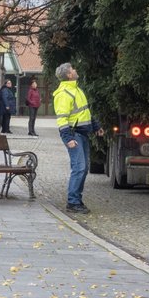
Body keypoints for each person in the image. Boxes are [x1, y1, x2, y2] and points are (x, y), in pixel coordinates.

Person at [52, 63, 103, 214]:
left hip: (81, 134)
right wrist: (68, 138)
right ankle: (73, 202)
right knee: (79, 167)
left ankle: (76, 200)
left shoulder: (76, 90)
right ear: (69, 75)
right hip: (73, 135)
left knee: (83, 168)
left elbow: (85, 112)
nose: (75, 70)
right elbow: (62, 119)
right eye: (73, 69)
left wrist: (96, 127)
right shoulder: (64, 94)